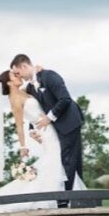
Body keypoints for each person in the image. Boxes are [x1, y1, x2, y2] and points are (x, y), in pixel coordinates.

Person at [0, 68, 84, 214]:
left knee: (58, 160)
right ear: (9, 83)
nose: (18, 76)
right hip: (46, 132)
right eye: (14, 75)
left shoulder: (26, 90)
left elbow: (40, 106)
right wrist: (23, 146)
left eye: (17, 73)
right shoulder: (14, 100)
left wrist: (33, 127)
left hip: (50, 127)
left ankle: (62, 197)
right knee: (55, 159)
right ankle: (57, 198)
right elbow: (19, 125)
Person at [9, 54, 84, 207]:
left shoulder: (50, 76)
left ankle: (65, 201)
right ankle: (76, 198)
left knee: (68, 161)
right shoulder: (30, 87)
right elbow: (36, 108)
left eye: (18, 72)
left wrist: (49, 118)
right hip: (54, 128)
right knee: (69, 161)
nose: (19, 76)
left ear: (24, 66)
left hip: (69, 122)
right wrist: (32, 128)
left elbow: (65, 99)